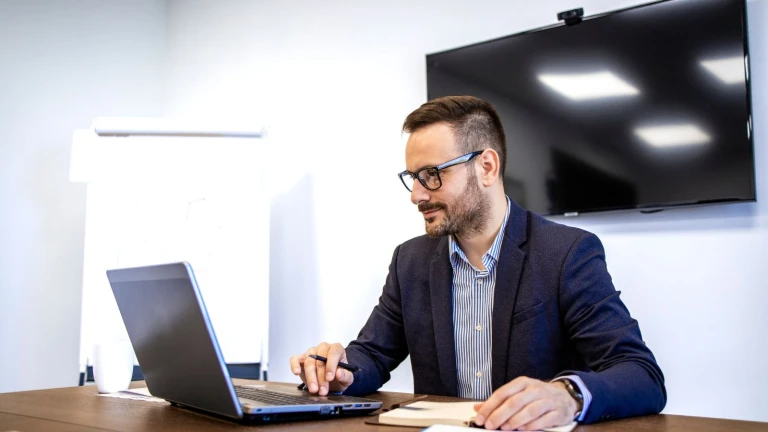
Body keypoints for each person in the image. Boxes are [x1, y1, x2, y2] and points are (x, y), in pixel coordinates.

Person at [289, 95, 666, 430]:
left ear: (486, 167)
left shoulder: (566, 253)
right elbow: (372, 354)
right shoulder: (410, 261)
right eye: (413, 177)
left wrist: (568, 395)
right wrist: (338, 370)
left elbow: (640, 374)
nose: (417, 195)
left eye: (432, 174)